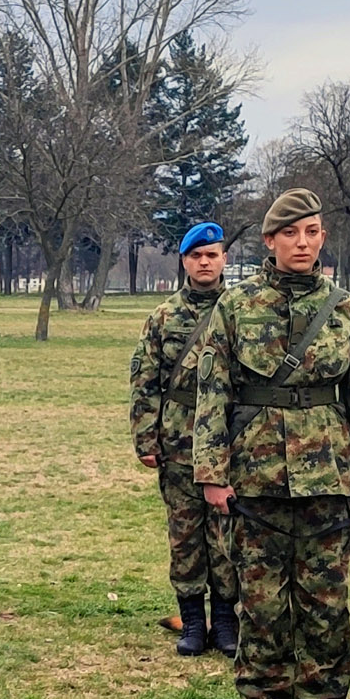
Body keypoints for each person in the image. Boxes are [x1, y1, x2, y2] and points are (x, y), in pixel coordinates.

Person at [190, 189, 350, 699]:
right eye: (291, 233)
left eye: (312, 232)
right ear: (270, 241)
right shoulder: (235, 306)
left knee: (326, 609)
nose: (303, 243)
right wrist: (212, 474)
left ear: (322, 237)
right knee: (262, 609)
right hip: (256, 485)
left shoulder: (344, 310)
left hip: (329, 484)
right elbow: (212, 394)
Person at [129, 222, 238, 657]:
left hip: (229, 441)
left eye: (212, 255)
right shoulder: (164, 317)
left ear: (224, 258)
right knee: (185, 534)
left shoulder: (243, 310)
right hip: (179, 441)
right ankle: (192, 620)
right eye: (196, 256)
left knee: (226, 534)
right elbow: (145, 379)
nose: (204, 262)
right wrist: (146, 438)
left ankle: (226, 621)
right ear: (184, 261)